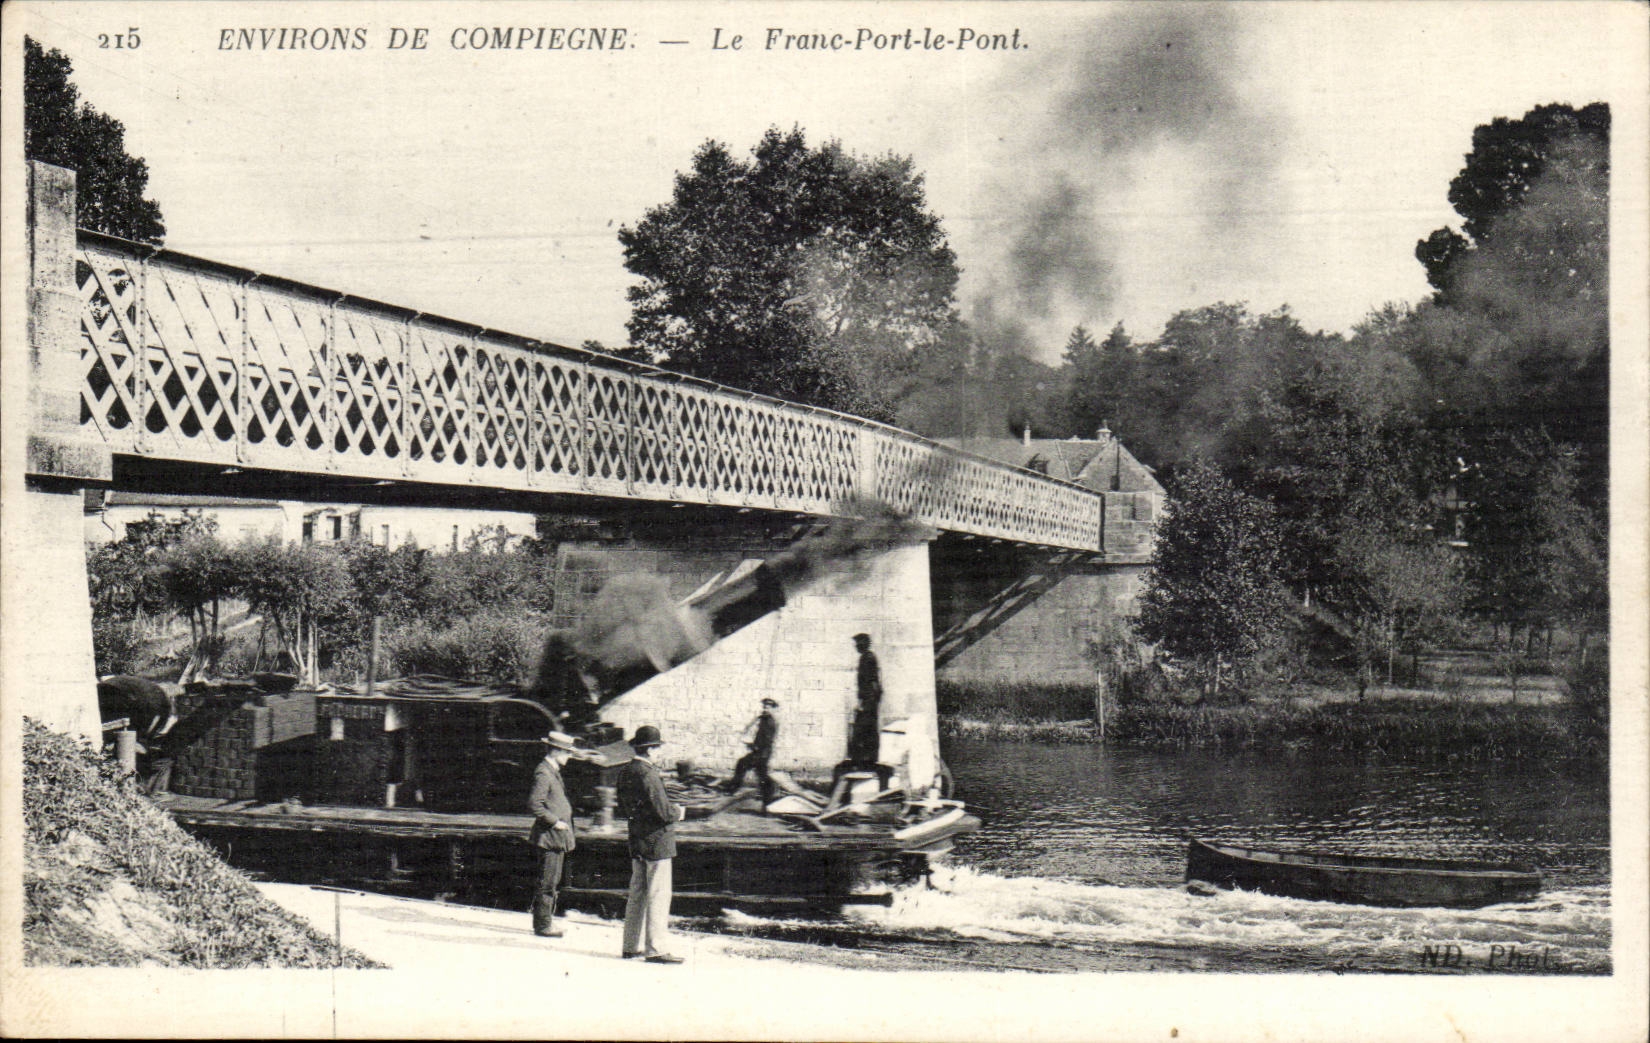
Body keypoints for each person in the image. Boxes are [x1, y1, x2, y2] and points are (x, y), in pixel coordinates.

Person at [617, 725, 685, 964]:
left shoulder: (626, 772)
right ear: (650, 750)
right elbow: (663, 812)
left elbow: (624, 807)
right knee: (658, 895)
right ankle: (656, 949)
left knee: (637, 894)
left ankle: (630, 946)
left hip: (637, 841)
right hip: (657, 843)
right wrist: (679, 812)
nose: (659, 752)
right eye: (658, 748)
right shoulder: (649, 774)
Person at [527, 731, 582, 938]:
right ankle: (543, 925)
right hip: (550, 836)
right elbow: (535, 804)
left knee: (551, 881)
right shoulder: (544, 772)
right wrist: (555, 821)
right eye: (567, 752)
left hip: (554, 837)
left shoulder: (552, 770)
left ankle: (545, 921)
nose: (569, 756)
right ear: (556, 751)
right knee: (547, 883)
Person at [726, 698, 779, 805]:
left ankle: (732, 789)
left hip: (762, 753)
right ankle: (768, 796)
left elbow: (767, 740)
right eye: (764, 707)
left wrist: (754, 746)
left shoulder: (769, 721)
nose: (765, 709)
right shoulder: (764, 719)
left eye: (767, 707)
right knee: (760, 773)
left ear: (773, 709)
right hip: (761, 752)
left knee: (744, 765)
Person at [848, 633, 882, 768]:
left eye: (858, 644)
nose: (856, 646)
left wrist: (864, 703)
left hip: (868, 701)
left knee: (863, 730)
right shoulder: (868, 657)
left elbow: (871, 682)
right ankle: (867, 759)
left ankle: (864, 760)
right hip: (869, 700)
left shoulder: (867, 658)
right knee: (867, 730)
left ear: (863, 644)